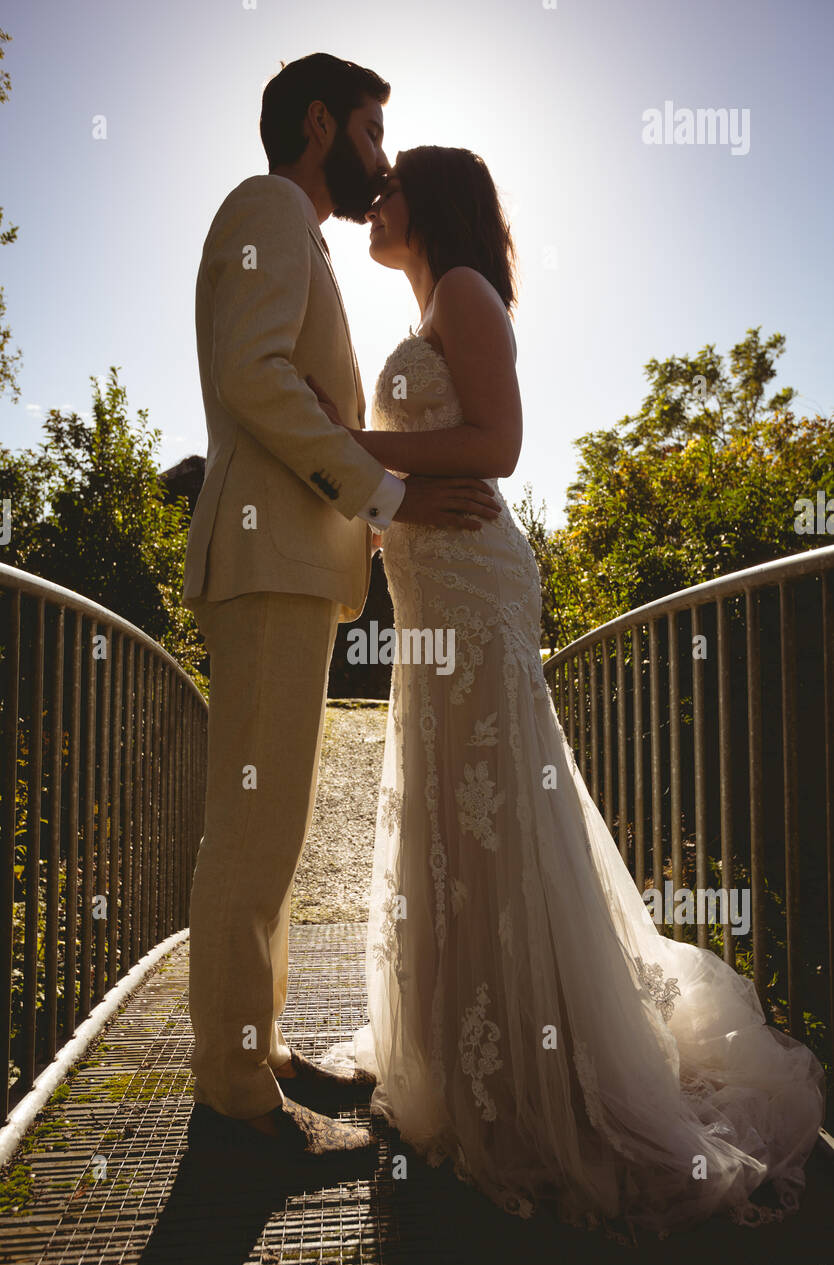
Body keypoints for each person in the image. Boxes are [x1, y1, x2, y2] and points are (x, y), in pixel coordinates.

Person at [312, 145, 826, 1238]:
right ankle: (463, 1054)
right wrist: (373, 506)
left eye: (395, 183)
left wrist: (342, 453)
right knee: (453, 812)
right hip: (428, 581)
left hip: (473, 582)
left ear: (435, 203)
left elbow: (497, 444)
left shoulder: (460, 291)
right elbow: (421, 461)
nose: (379, 197)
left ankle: (549, 1076)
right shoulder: (424, 306)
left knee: (495, 811)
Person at [182, 57, 502, 1164]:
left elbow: (284, 392)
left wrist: (371, 503)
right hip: (266, 564)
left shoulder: (299, 231)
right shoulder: (268, 204)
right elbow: (252, 376)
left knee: (268, 826)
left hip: (293, 567)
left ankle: (257, 1048)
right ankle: (234, 1091)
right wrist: (389, 492)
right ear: (319, 125)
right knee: (249, 828)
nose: (380, 152)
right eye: (370, 128)